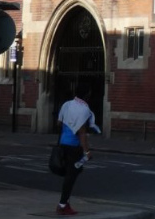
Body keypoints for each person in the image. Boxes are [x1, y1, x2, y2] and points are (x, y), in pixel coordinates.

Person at [55, 83, 96, 216]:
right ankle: (62, 205)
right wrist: (87, 151)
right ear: (87, 95)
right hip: (74, 147)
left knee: (73, 172)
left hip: (63, 144)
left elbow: (59, 123)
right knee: (71, 176)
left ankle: (64, 203)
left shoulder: (66, 104)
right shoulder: (84, 109)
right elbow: (82, 132)